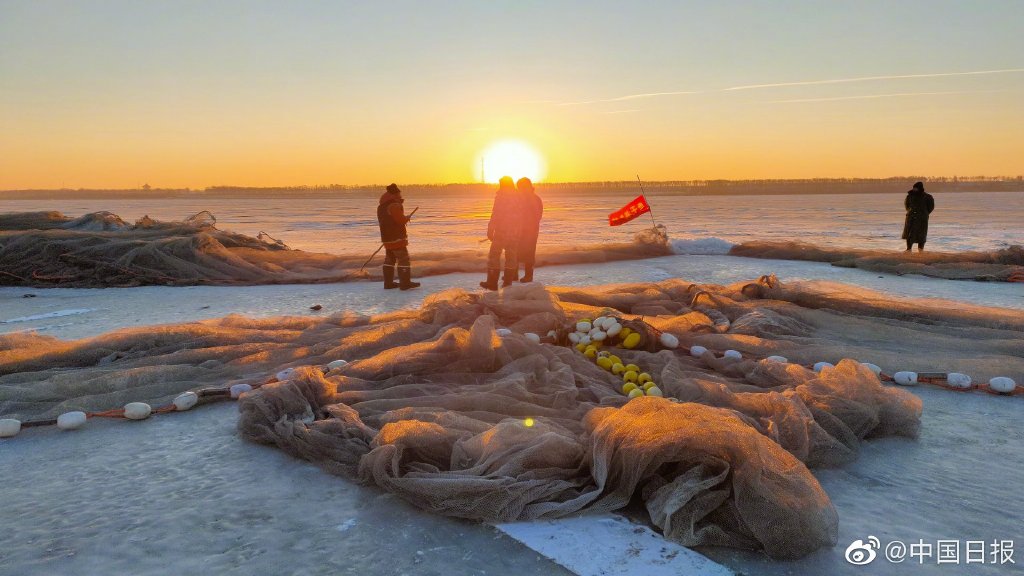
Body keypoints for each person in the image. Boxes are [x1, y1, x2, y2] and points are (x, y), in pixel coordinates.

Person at [480, 176, 521, 290]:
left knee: (494, 255)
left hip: (502, 231)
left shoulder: (501, 196)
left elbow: (496, 214)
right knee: (511, 256)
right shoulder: (518, 196)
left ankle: (492, 283)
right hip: (514, 232)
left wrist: (490, 229)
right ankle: (507, 283)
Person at [376, 183, 420, 290]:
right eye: (399, 194)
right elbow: (400, 220)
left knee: (389, 260)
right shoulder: (394, 205)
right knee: (403, 259)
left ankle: (388, 283)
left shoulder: (381, 207)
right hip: (397, 238)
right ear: (394, 194)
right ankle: (405, 283)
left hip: (386, 238)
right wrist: (406, 218)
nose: (400, 195)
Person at [516, 177, 543, 282]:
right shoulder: (519, 199)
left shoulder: (535, 199)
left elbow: (537, 216)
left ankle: (528, 276)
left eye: (521, 187)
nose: (519, 189)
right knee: (515, 253)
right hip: (519, 230)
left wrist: (527, 226)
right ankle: (514, 275)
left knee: (529, 254)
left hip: (530, 231)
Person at [901, 181, 934, 252]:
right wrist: (911, 212)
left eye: (916, 188)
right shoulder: (909, 196)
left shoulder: (927, 197)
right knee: (910, 234)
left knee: (921, 235)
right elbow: (907, 206)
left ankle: (920, 250)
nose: (914, 189)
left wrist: (924, 214)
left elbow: (931, 207)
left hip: (922, 219)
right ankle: (908, 249)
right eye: (914, 188)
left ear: (920, 188)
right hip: (911, 218)